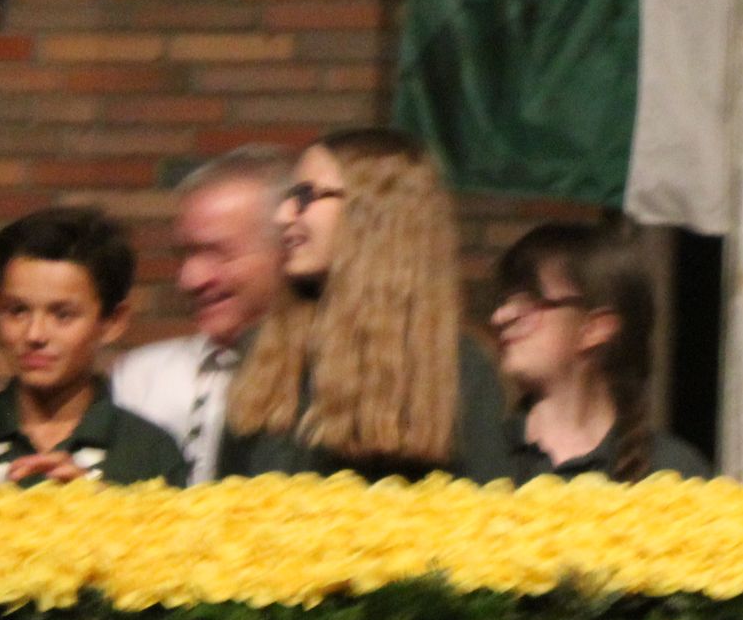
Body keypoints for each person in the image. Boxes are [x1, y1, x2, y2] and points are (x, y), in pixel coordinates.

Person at [217, 127, 509, 478]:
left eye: (305, 196)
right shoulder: (262, 352)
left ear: (372, 212)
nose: (282, 216)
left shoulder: (457, 368)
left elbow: (484, 505)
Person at [0, 206, 186, 495]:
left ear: (112, 322)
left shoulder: (150, 452)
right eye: (17, 310)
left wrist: (109, 510)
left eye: (63, 315)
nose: (35, 335)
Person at [110, 144, 291, 483]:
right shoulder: (140, 379)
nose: (190, 279)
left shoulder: (332, 379)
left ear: (286, 247)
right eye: (184, 255)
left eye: (217, 253)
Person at [483, 218, 710, 481]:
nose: (500, 317)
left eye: (529, 301)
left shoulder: (672, 473)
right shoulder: (478, 453)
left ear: (595, 329)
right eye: (504, 301)